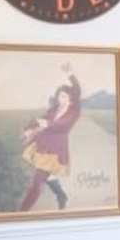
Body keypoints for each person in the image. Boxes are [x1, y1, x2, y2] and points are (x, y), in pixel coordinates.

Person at [19, 63, 81, 211]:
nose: (61, 99)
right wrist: (28, 129)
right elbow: (38, 119)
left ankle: (21, 212)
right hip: (41, 146)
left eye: (65, 96)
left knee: (37, 181)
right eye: (60, 96)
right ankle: (62, 196)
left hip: (55, 151)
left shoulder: (74, 111)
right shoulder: (54, 110)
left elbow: (61, 126)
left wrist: (71, 74)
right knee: (44, 176)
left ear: (71, 99)